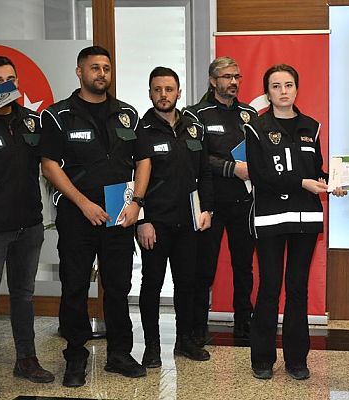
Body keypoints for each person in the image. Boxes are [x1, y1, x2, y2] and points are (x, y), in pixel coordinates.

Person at [39, 46, 149, 387]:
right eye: (95, 68)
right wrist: (83, 203)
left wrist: (137, 202)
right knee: (74, 286)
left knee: (118, 286)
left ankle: (119, 353)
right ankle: (75, 356)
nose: (101, 73)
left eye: (106, 68)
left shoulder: (127, 114)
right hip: (77, 215)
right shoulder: (58, 115)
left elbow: (143, 160)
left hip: (119, 214)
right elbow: (49, 166)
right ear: (80, 72)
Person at [245, 64, 330, 381]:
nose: (283, 91)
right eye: (276, 86)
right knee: (269, 287)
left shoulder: (312, 126)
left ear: (297, 88)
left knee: (297, 288)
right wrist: (301, 183)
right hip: (270, 220)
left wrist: (333, 182)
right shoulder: (256, 127)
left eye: (289, 85)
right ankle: (262, 358)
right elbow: (260, 175)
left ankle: (296, 359)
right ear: (267, 92)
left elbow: (316, 169)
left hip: (305, 220)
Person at [135, 67, 213, 368]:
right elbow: (132, 179)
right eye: (157, 89)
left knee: (187, 284)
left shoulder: (194, 128)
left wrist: (207, 210)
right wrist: (142, 220)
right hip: (155, 224)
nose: (163, 94)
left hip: (189, 222)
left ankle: (185, 341)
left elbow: (205, 172)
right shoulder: (141, 130)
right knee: (152, 285)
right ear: (150, 93)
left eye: (169, 89)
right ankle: (152, 347)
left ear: (178, 92)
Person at [184, 56, 257, 342]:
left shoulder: (249, 113)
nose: (234, 82)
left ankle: (244, 327)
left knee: (244, 268)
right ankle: (197, 328)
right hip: (209, 204)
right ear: (213, 81)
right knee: (204, 268)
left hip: (244, 202)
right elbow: (196, 158)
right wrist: (231, 168)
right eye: (227, 77)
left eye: (237, 76)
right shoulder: (196, 114)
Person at [0, 55, 55, 394]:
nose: (5, 85)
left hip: (29, 226)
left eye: (10, 79)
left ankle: (26, 359)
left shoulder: (33, 121)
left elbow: (50, 166)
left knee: (24, 296)